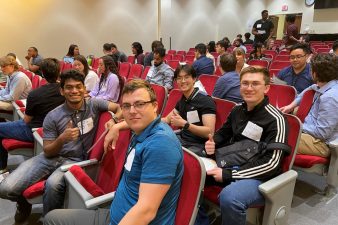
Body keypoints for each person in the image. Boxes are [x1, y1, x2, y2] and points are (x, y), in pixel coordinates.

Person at [44, 79, 183, 225]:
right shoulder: (143, 128)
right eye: (126, 106)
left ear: (155, 106)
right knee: (52, 218)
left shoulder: (160, 145)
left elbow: (146, 211)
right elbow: (135, 119)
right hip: (115, 214)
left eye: (140, 104)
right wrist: (116, 127)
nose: (132, 111)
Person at [0, 69, 122, 223]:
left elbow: (118, 108)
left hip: (74, 160)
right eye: (69, 87)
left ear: (84, 89)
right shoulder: (53, 116)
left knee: (53, 185)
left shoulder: (94, 104)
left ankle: (49, 220)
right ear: (62, 91)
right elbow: (48, 151)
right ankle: (23, 203)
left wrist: (115, 121)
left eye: (78, 86)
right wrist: (62, 139)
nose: (74, 91)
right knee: (5, 189)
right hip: (50, 157)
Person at [205, 66, 289, 225]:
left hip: (261, 176)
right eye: (245, 83)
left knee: (230, 197)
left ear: (267, 88)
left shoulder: (276, 120)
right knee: (192, 172)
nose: (249, 88)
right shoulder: (237, 109)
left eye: (255, 84)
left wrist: (230, 174)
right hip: (234, 161)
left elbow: (272, 164)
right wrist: (213, 142)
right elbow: (223, 133)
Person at [0, 58, 65, 174]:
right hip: (52, 130)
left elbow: (26, 120)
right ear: (58, 72)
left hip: (33, 130)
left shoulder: (35, 94)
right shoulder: (65, 91)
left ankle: (2, 167)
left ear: (42, 73)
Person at [281, 53, 338, 157]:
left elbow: (321, 133)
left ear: (315, 73)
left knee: (276, 137)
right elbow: (311, 88)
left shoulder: (330, 97)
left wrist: (296, 124)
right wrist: (291, 106)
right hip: (312, 134)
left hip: (321, 143)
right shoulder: (325, 85)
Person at [162, 65, 216, 156]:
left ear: (194, 79)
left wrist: (185, 124)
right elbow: (167, 119)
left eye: (186, 77)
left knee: (168, 154)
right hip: (182, 139)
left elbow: (209, 132)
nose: (183, 81)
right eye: (179, 78)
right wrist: (147, 121)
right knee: (156, 144)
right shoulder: (183, 100)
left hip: (198, 145)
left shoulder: (206, 101)